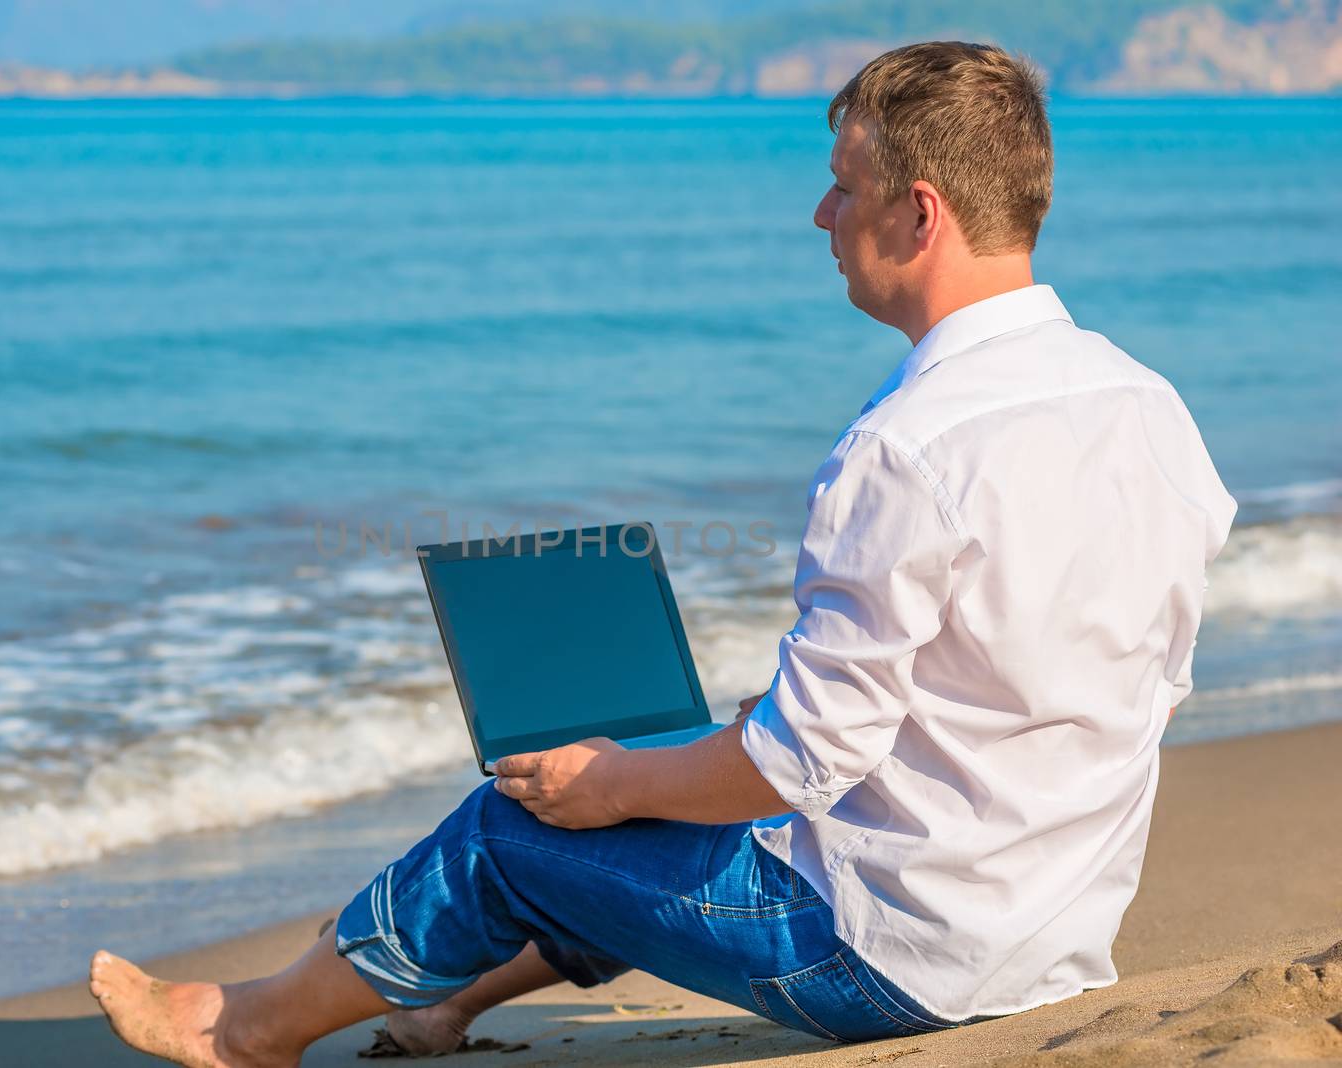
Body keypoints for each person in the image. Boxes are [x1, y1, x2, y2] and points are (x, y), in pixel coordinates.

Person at [88, 40, 1237, 1067]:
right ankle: (439, 1002)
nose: (822, 216)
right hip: (1054, 935)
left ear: (919, 215)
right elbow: (1119, 681)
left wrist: (617, 781)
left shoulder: (905, 448)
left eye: (844, 187)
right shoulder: (1149, 407)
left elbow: (798, 767)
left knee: (516, 821)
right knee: (656, 781)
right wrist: (690, 765)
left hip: (897, 961)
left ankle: (242, 1031)